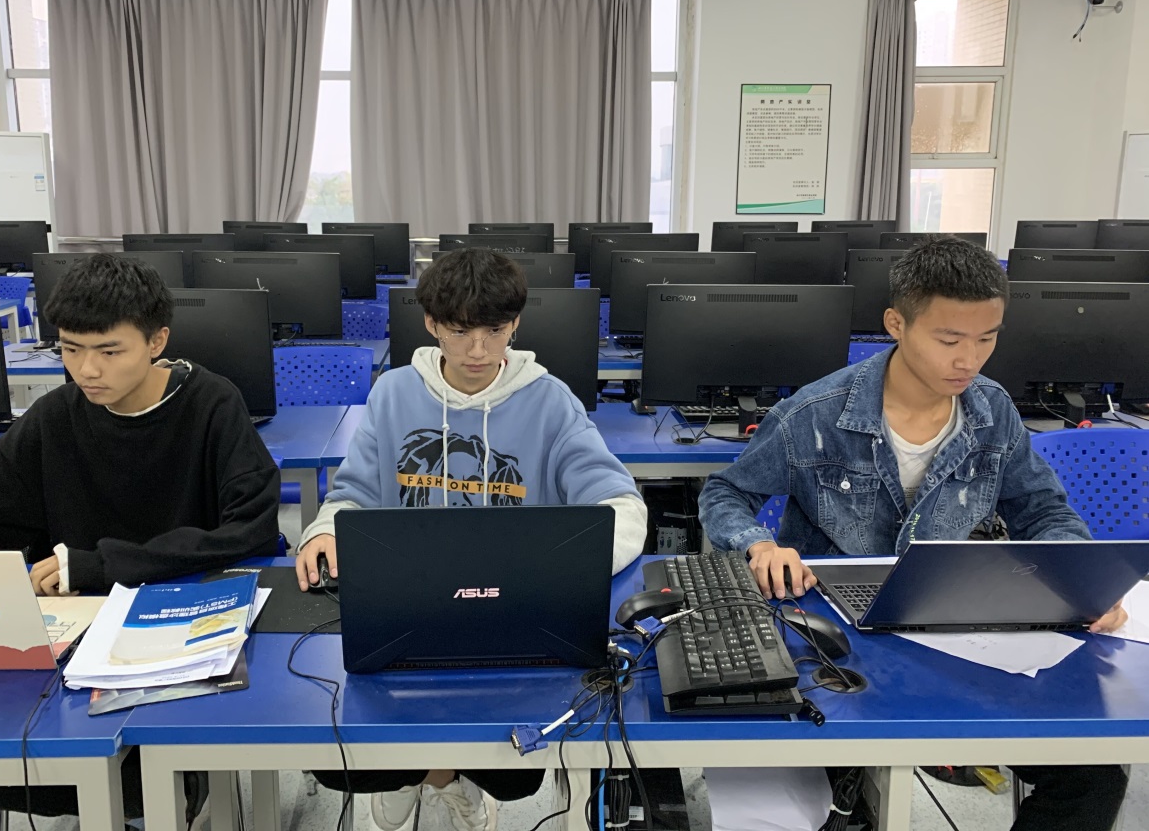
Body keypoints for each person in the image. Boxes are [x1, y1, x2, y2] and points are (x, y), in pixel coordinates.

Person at [698, 236, 1128, 831]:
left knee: (1095, 774)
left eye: (987, 338)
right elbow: (725, 493)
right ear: (896, 324)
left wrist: (1082, 579)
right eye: (949, 340)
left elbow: (1043, 510)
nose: (970, 360)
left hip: (949, 625)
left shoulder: (992, 412)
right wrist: (759, 544)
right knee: (815, 790)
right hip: (830, 632)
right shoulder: (815, 414)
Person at [297, 247, 648, 831]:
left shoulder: (550, 401)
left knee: (516, 774)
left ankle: (430, 774)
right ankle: (431, 775)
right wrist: (324, 531)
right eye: (461, 332)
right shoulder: (393, 393)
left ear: (516, 324)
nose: (480, 350)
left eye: (496, 331)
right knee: (339, 747)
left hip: (511, 614)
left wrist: (563, 569)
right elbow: (351, 494)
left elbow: (623, 508)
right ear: (432, 324)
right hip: (407, 607)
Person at [0, 253, 281, 589]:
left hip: (190, 597)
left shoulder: (212, 404)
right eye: (71, 349)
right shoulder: (54, 416)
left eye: (109, 352)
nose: (87, 370)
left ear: (156, 341)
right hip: (77, 610)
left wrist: (104, 566)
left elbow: (250, 530)